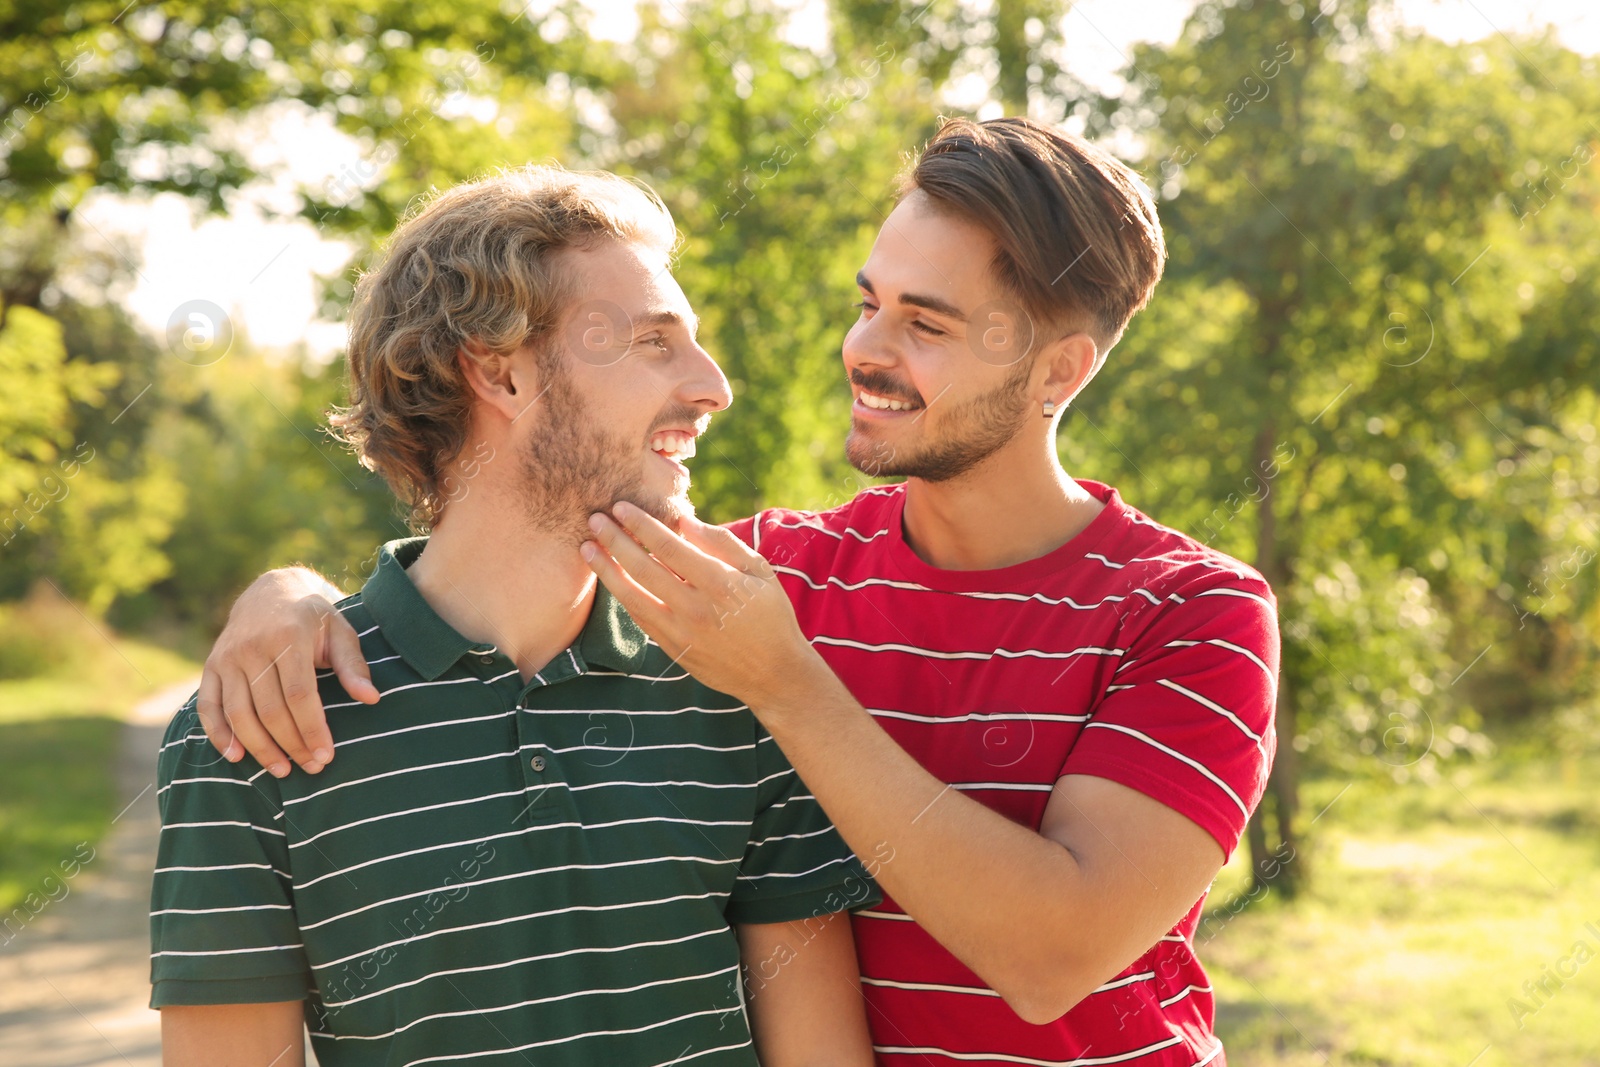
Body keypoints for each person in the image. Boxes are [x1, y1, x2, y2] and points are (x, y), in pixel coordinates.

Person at [198, 117, 1280, 1065]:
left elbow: (1052, 957)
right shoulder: (771, 576)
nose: (866, 349)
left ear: (1059, 371)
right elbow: (515, 532)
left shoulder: (1190, 611)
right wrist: (290, 599)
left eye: (927, 324)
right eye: (870, 303)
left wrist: (790, 684)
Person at [151, 166, 881, 1067]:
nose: (713, 385)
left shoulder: (741, 680)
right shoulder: (258, 724)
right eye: (655, 343)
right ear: (500, 372)